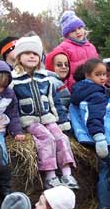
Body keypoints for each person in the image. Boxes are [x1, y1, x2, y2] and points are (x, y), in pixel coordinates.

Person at [10, 36, 78, 190]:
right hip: (29, 120)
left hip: (48, 117)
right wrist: (16, 129)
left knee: (60, 137)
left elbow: (55, 101)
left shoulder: (46, 79)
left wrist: (62, 121)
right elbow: (12, 107)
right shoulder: (14, 81)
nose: (32, 56)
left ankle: (67, 173)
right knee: (46, 138)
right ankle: (50, 175)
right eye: (27, 53)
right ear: (19, 57)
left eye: (35, 53)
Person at [70, 59, 110, 209]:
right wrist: (100, 137)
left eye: (104, 74)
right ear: (87, 75)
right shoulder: (96, 93)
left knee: (104, 172)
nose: (103, 78)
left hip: (95, 139)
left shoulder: (81, 91)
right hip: (105, 140)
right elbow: (94, 117)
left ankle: (105, 204)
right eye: (98, 74)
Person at [45, 11, 99, 90]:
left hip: (95, 85)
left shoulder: (91, 47)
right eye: (73, 30)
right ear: (67, 34)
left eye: (80, 28)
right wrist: (72, 85)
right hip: (76, 87)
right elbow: (61, 68)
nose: (78, 32)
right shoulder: (64, 48)